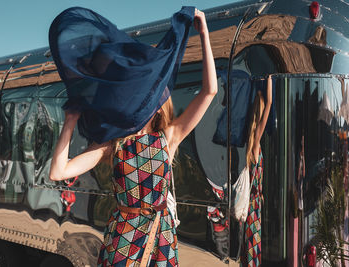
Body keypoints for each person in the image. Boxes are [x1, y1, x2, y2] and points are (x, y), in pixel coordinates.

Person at [49, 9, 217, 267]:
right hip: (123, 241)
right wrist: (70, 122)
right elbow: (58, 172)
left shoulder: (168, 137)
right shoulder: (113, 144)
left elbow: (209, 91)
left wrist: (204, 32)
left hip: (161, 239)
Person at [241, 75, 272, 267]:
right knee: (253, 246)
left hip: (251, 204)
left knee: (249, 246)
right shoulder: (255, 144)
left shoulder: (246, 144)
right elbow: (269, 103)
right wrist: (270, 79)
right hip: (253, 206)